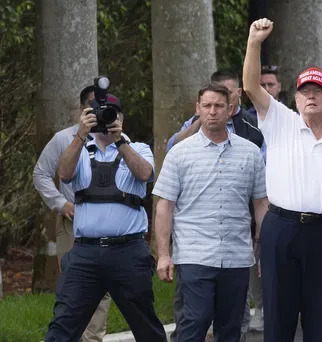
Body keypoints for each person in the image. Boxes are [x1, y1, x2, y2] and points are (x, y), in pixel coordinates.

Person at [242, 18, 322, 342]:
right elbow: (251, 86)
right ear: (295, 99)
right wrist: (254, 42)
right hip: (281, 228)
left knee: (320, 319)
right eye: (305, 92)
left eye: (318, 91)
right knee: (278, 320)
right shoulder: (280, 121)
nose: (311, 97)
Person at [44, 94, 166, 341]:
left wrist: (119, 141)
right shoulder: (79, 149)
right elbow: (64, 174)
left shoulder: (138, 148)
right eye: (97, 114)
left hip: (128, 253)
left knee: (146, 326)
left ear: (120, 118)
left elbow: (145, 174)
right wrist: (81, 134)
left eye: (110, 114)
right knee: (63, 325)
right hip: (85, 255)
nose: (104, 120)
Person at [153, 83, 269, 342]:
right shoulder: (179, 153)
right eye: (207, 106)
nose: (213, 111)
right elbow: (165, 205)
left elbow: (261, 204)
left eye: (219, 106)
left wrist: (264, 252)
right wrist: (163, 255)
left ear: (230, 110)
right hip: (194, 254)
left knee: (231, 327)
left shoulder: (250, 153)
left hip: (237, 255)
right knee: (195, 319)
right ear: (198, 109)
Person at [33, 85, 112, 342]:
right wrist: (59, 202)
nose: (99, 111)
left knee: (103, 288)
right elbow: (41, 174)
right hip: (72, 224)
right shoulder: (63, 138)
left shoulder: (118, 139)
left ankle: (92, 339)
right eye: (93, 106)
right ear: (81, 110)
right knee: (71, 287)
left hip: (106, 226)